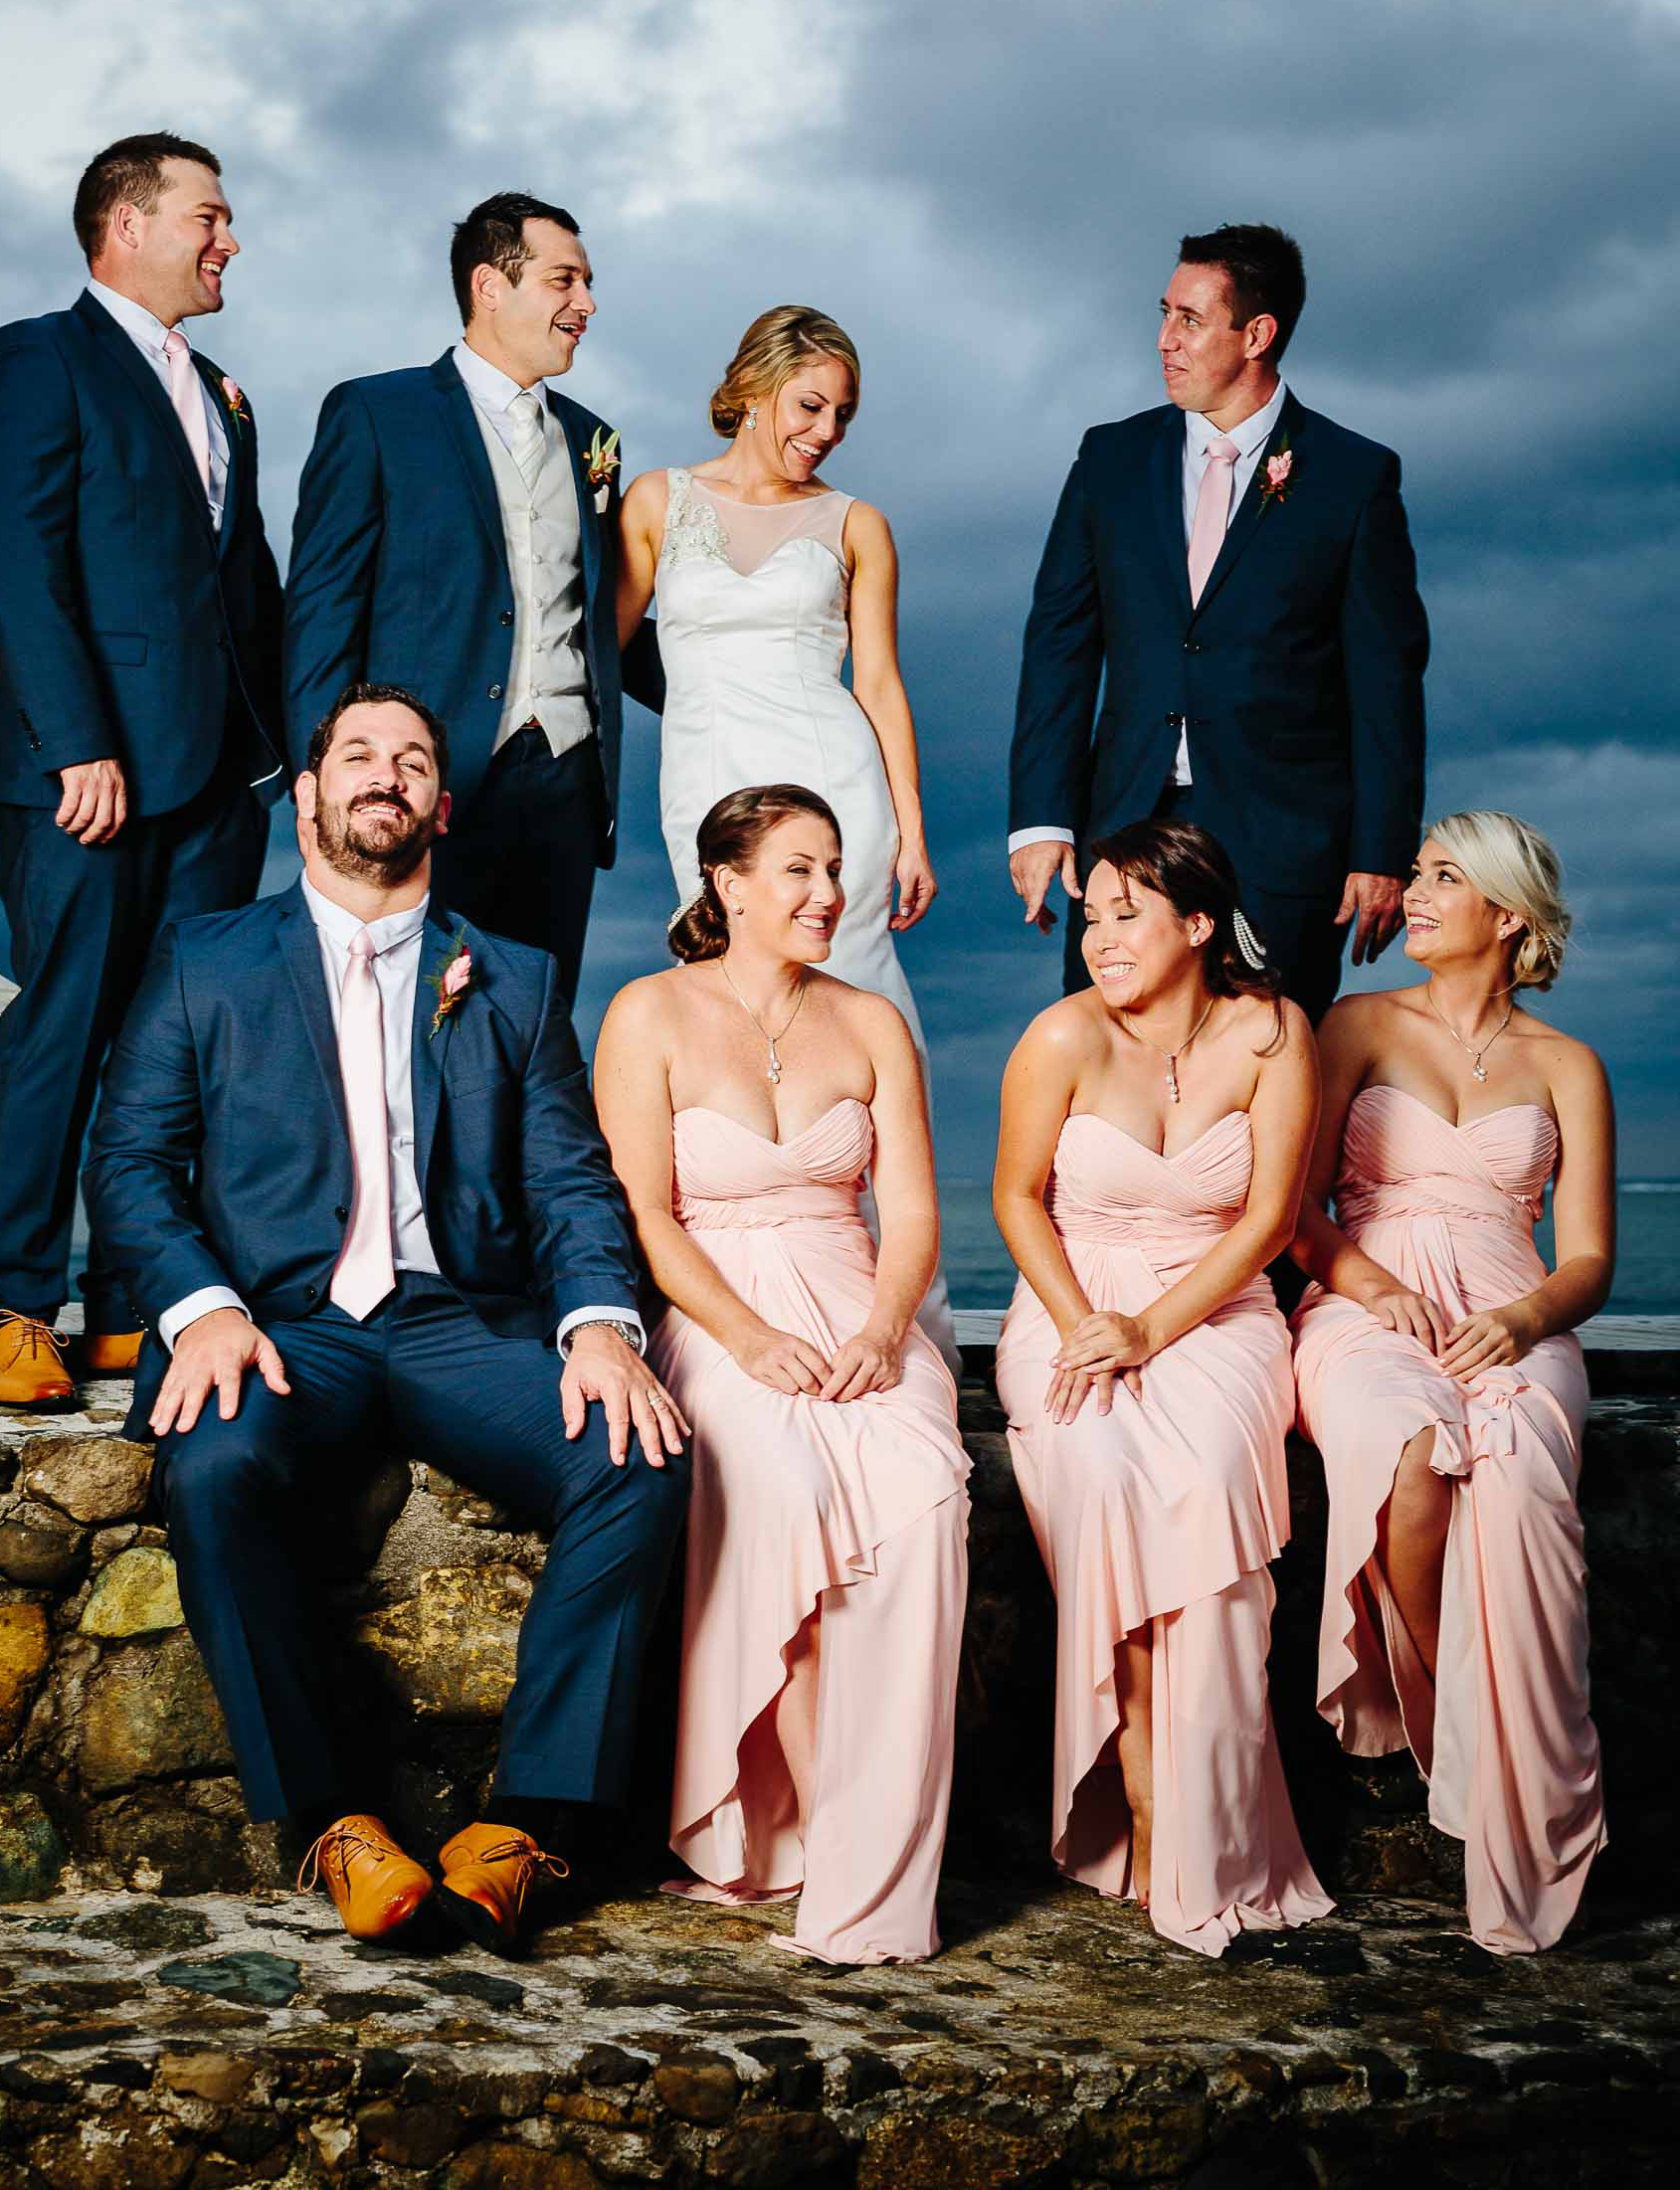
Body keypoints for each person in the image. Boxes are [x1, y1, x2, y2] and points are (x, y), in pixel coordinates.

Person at [83, 683, 690, 1949]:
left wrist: (596, 1324)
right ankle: (332, 1822)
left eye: (413, 758)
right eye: (357, 754)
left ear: (441, 806)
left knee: (639, 1455)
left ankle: (527, 1821)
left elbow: (570, 1179)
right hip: (277, 1328)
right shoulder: (208, 956)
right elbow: (130, 1160)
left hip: (454, 1324)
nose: (386, 773)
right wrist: (200, 1310)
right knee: (215, 1464)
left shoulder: (513, 979)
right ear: (307, 799)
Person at [594, 786, 970, 1964]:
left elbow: (910, 1211)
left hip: (857, 1301)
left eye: (834, 870)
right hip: (719, 1309)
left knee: (929, 1508)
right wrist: (747, 1339)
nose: (827, 894)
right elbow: (648, 1219)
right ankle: (816, 1847)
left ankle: (881, 1853)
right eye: (799, 870)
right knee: (781, 1485)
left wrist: (885, 1327)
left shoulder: (869, 1025)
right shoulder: (646, 1015)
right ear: (729, 883)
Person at [0, 133, 284, 1408]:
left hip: (218, 789)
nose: (230, 241)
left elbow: (247, 588)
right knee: (66, 1024)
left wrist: (291, 756)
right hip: (83, 776)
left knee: (180, 1053)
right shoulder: (37, 357)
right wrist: (74, 739)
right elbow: (12, 555)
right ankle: (18, 1303)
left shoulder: (226, 392)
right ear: (125, 223)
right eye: (209, 216)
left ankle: (132, 1304)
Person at [994, 818, 1332, 1955]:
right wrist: (1090, 1320)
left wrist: (1156, 1326)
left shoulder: (1276, 1034)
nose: (1099, 937)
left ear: (1197, 923)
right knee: (1095, 1472)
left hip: (1218, 1314)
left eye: (1124, 913)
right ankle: (1140, 1789)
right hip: (1073, 1305)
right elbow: (1017, 1199)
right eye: (1090, 915)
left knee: (1204, 1492)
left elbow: (1273, 1219)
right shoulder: (1059, 1037)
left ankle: (1218, 1830)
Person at [1289, 812, 1611, 1953]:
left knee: (1520, 1485)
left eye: (1441, 878)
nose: (1412, 895)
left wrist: (1525, 1319)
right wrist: (1373, 1289)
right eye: (1417, 874)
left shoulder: (1566, 1064)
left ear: (1506, 915)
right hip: (1368, 1302)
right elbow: (1296, 1212)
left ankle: (1541, 1796)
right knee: (1409, 1449)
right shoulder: (1356, 1024)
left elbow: (1588, 1261)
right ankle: (1458, 1722)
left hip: (1511, 1313)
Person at [615, 305, 958, 1369]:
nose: (828, 429)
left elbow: (881, 682)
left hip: (833, 776)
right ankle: (731, 1301)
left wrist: (907, 829)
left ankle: (900, 1317)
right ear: (755, 386)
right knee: (723, 992)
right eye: (812, 404)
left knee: (853, 1000)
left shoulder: (857, 523)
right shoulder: (660, 502)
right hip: (708, 773)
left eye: (845, 414)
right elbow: (601, 645)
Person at [1008, 223, 1427, 1021]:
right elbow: (1059, 645)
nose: (1164, 340)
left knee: (1268, 1059)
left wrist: (1380, 851)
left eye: (1190, 320)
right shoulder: (1110, 459)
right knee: (1111, 1063)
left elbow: (1386, 679)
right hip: (1126, 822)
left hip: (1283, 838)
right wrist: (1039, 819)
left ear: (1258, 335)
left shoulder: (1353, 476)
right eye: (1164, 313)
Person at [282, 193, 659, 1008]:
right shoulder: (379, 414)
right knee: (411, 1019)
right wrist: (318, 785)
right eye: (565, 280)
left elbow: (600, 623)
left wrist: (752, 674)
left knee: (533, 1023)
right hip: (421, 780)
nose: (586, 303)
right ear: (491, 285)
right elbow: (320, 612)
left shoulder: (597, 441)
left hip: (564, 779)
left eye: (588, 282)